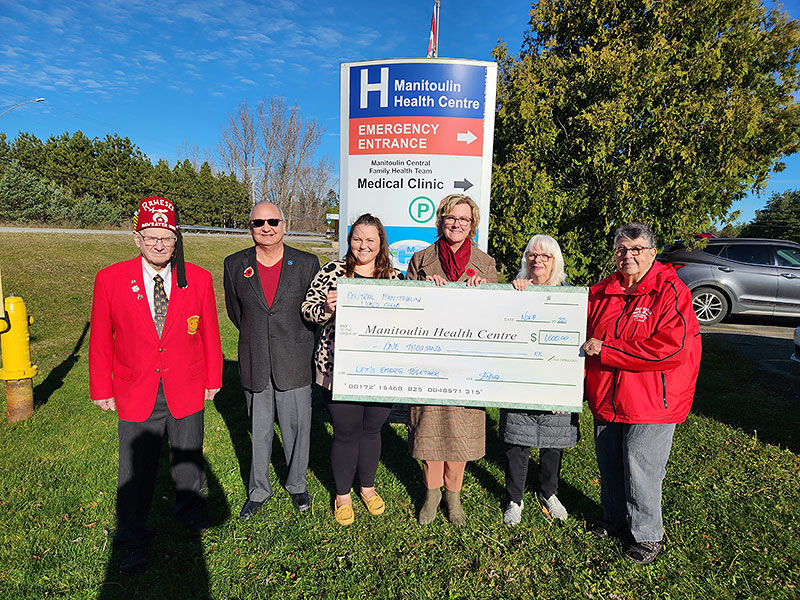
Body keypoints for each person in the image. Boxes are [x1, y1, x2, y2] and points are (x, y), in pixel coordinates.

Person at [89, 196, 223, 573]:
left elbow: (210, 332)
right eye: (151, 237)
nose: (159, 244)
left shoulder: (198, 278)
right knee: (135, 467)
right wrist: (102, 387)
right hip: (136, 388)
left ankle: (190, 509)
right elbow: (102, 337)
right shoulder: (110, 279)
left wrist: (213, 377)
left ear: (176, 238)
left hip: (187, 383)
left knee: (188, 453)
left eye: (166, 237)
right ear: (137, 239)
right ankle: (132, 536)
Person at [582, 222, 701, 565]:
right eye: (621, 249)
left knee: (640, 465)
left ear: (652, 253)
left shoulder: (670, 291)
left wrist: (609, 351)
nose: (627, 255)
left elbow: (672, 349)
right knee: (610, 461)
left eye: (636, 248)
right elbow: (566, 318)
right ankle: (616, 517)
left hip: (652, 400)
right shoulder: (601, 291)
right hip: (607, 395)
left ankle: (648, 535)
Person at [301, 214, 403, 525]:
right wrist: (327, 309)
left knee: (372, 431)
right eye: (358, 238)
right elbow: (307, 310)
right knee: (345, 433)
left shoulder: (395, 279)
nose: (363, 245)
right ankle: (342, 494)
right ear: (349, 240)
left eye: (370, 240)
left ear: (380, 243)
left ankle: (367, 487)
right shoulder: (333, 272)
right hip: (337, 368)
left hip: (380, 371)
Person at [405, 193, 497, 526]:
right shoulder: (421, 259)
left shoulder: (485, 264)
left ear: (472, 225)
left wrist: (485, 291)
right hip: (429, 361)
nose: (456, 224)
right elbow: (405, 309)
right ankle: (431, 494)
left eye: (463, 219)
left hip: (466, 363)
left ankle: (454, 496)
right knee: (429, 429)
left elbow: (496, 317)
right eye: (450, 218)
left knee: (461, 431)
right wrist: (421, 287)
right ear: (440, 221)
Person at [223, 202, 320, 520]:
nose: (266, 227)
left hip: (294, 359)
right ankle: (258, 491)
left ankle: (297, 485)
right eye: (258, 222)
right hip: (256, 360)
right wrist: (259, 336)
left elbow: (314, 310)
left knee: (297, 430)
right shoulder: (234, 264)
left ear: (284, 224)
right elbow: (237, 313)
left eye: (272, 221)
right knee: (259, 430)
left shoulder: (306, 263)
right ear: (250, 227)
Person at [500, 234, 579, 526]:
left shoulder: (570, 295)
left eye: (545, 256)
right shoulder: (516, 289)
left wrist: (566, 392)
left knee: (552, 445)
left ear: (555, 260)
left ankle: (549, 492)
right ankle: (514, 499)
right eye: (533, 255)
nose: (538, 261)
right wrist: (516, 291)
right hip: (520, 380)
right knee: (517, 443)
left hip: (555, 381)